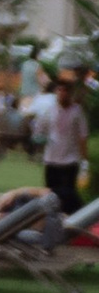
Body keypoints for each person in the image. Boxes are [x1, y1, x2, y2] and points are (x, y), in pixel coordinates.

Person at [46, 74, 89, 219]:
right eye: (60, 90)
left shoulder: (77, 112)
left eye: (65, 91)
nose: (62, 94)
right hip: (52, 160)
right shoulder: (51, 110)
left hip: (69, 161)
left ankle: (74, 221)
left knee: (68, 195)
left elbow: (83, 137)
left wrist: (84, 161)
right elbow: (42, 130)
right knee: (51, 195)